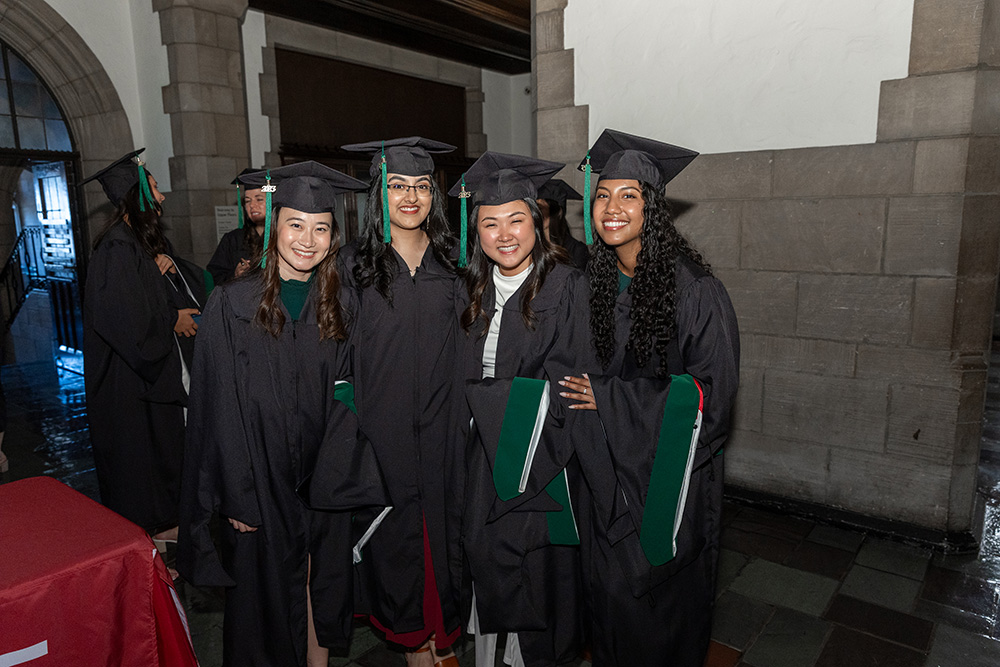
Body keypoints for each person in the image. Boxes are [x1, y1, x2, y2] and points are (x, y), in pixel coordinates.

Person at [177, 162, 373, 667]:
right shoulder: (232, 303)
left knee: (321, 584)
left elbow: (351, 394)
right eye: (296, 224)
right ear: (274, 225)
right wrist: (236, 494)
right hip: (258, 481)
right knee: (262, 601)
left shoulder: (343, 303)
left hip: (323, 476)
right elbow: (213, 408)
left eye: (321, 228)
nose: (308, 239)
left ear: (333, 237)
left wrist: (340, 473)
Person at [559, 129, 740, 666]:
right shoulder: (593, 282)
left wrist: (611, 400)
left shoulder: (697, 292)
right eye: (602, 195)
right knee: (609, 610)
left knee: (658, 620)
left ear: (652, 207)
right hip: (603, 479)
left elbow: (713, 400)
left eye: (628, 195)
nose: (611, 208)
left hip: (666, 486)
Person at [449, 153, 592, 667]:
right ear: (477, 231)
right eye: (490, 223)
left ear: (539, 221)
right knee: (487, 564)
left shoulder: (568, 286)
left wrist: (487, 401)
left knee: (534, 575)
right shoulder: (469, 290)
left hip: (541, 460)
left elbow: (575, 383)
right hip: (477, 460)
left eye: (517, 219)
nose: (504, 234)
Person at [337, 136, 464, 667]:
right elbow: (336, 360)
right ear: (377, 194)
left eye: (420, 186)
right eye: (396, 186)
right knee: (393, 542)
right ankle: (414, 645)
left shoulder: (454, 265)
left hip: (444, 433)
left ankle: (438, 638)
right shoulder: (351, 267)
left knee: (444, 536)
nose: (410, 196)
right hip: (380, 436)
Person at [81, 148, 202, 546]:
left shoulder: (135, 244)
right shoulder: (117, 248)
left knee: (160, 459)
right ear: (137, 195)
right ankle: (154, 546)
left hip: (141, 382)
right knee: (142, 466)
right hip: (128, 387)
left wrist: (155, 271)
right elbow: (127, 325)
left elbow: (137, 298)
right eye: (154, 187)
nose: (162, 197)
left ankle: (166, 536)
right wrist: (172, 320)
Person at [206, 168, 267, 285]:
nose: (252, 205)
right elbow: (215, 274)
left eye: (259, 199)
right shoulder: (233, 239)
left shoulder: (284, 236)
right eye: (247, 201)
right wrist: (235, 274)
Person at [536, 179, 589, 270]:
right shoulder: (529, 247)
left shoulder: (576, 250)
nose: (535, 214)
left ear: (557, 212)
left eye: (540, 208)